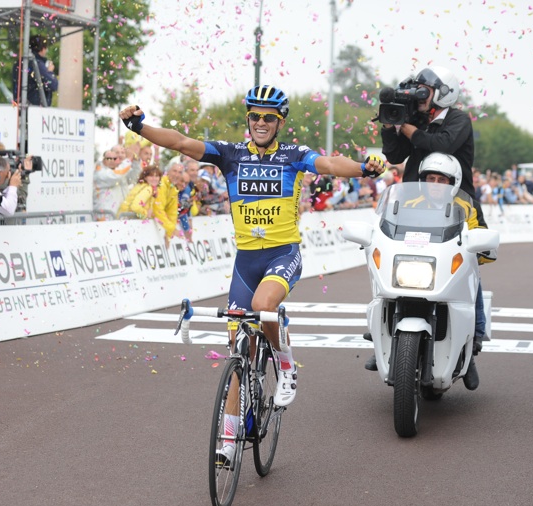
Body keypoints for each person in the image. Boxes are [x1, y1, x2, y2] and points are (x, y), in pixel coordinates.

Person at [119, 84, 384, 463]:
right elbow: (180, 142)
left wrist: (363, 169)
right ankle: (228, 441)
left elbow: (328, 164)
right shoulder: (230, 154)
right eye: (255, 116)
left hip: (282, 255)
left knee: (263, 305)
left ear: (279, 123)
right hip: (245, 262)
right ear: (248, 119)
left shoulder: (293, 156)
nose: (261, 123)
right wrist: (139, 127)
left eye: (268, 118)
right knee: (237, 355)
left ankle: (285, 362)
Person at [364, 153, 483, 389]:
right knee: (383, 282)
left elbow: (479, 235)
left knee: (474, 279)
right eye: (431, 179)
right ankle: (379, 341)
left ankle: (472, 343)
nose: (435, 184)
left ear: (453, 182)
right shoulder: (408, 204)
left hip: (447, 263)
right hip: (415, 262)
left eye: (442, 180)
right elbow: (388, 229)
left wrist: (480, 248)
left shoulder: (466, 207)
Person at [381, 65, 486, 227]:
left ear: (443, 93)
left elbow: (444, 144)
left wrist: (413, 133)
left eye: (424, 91)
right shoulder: (417, 121)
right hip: (414, 204)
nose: (419, 96)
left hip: (455, 206)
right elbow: (395, 156)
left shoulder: (459, 119)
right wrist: (389, 127)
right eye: (418, 90)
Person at [12, 35, 59, 107]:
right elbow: (53, 85)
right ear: (43, 49)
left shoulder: (19, 63)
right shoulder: (36, 64)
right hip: (35, 108)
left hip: (20, 105)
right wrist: (50, 72)